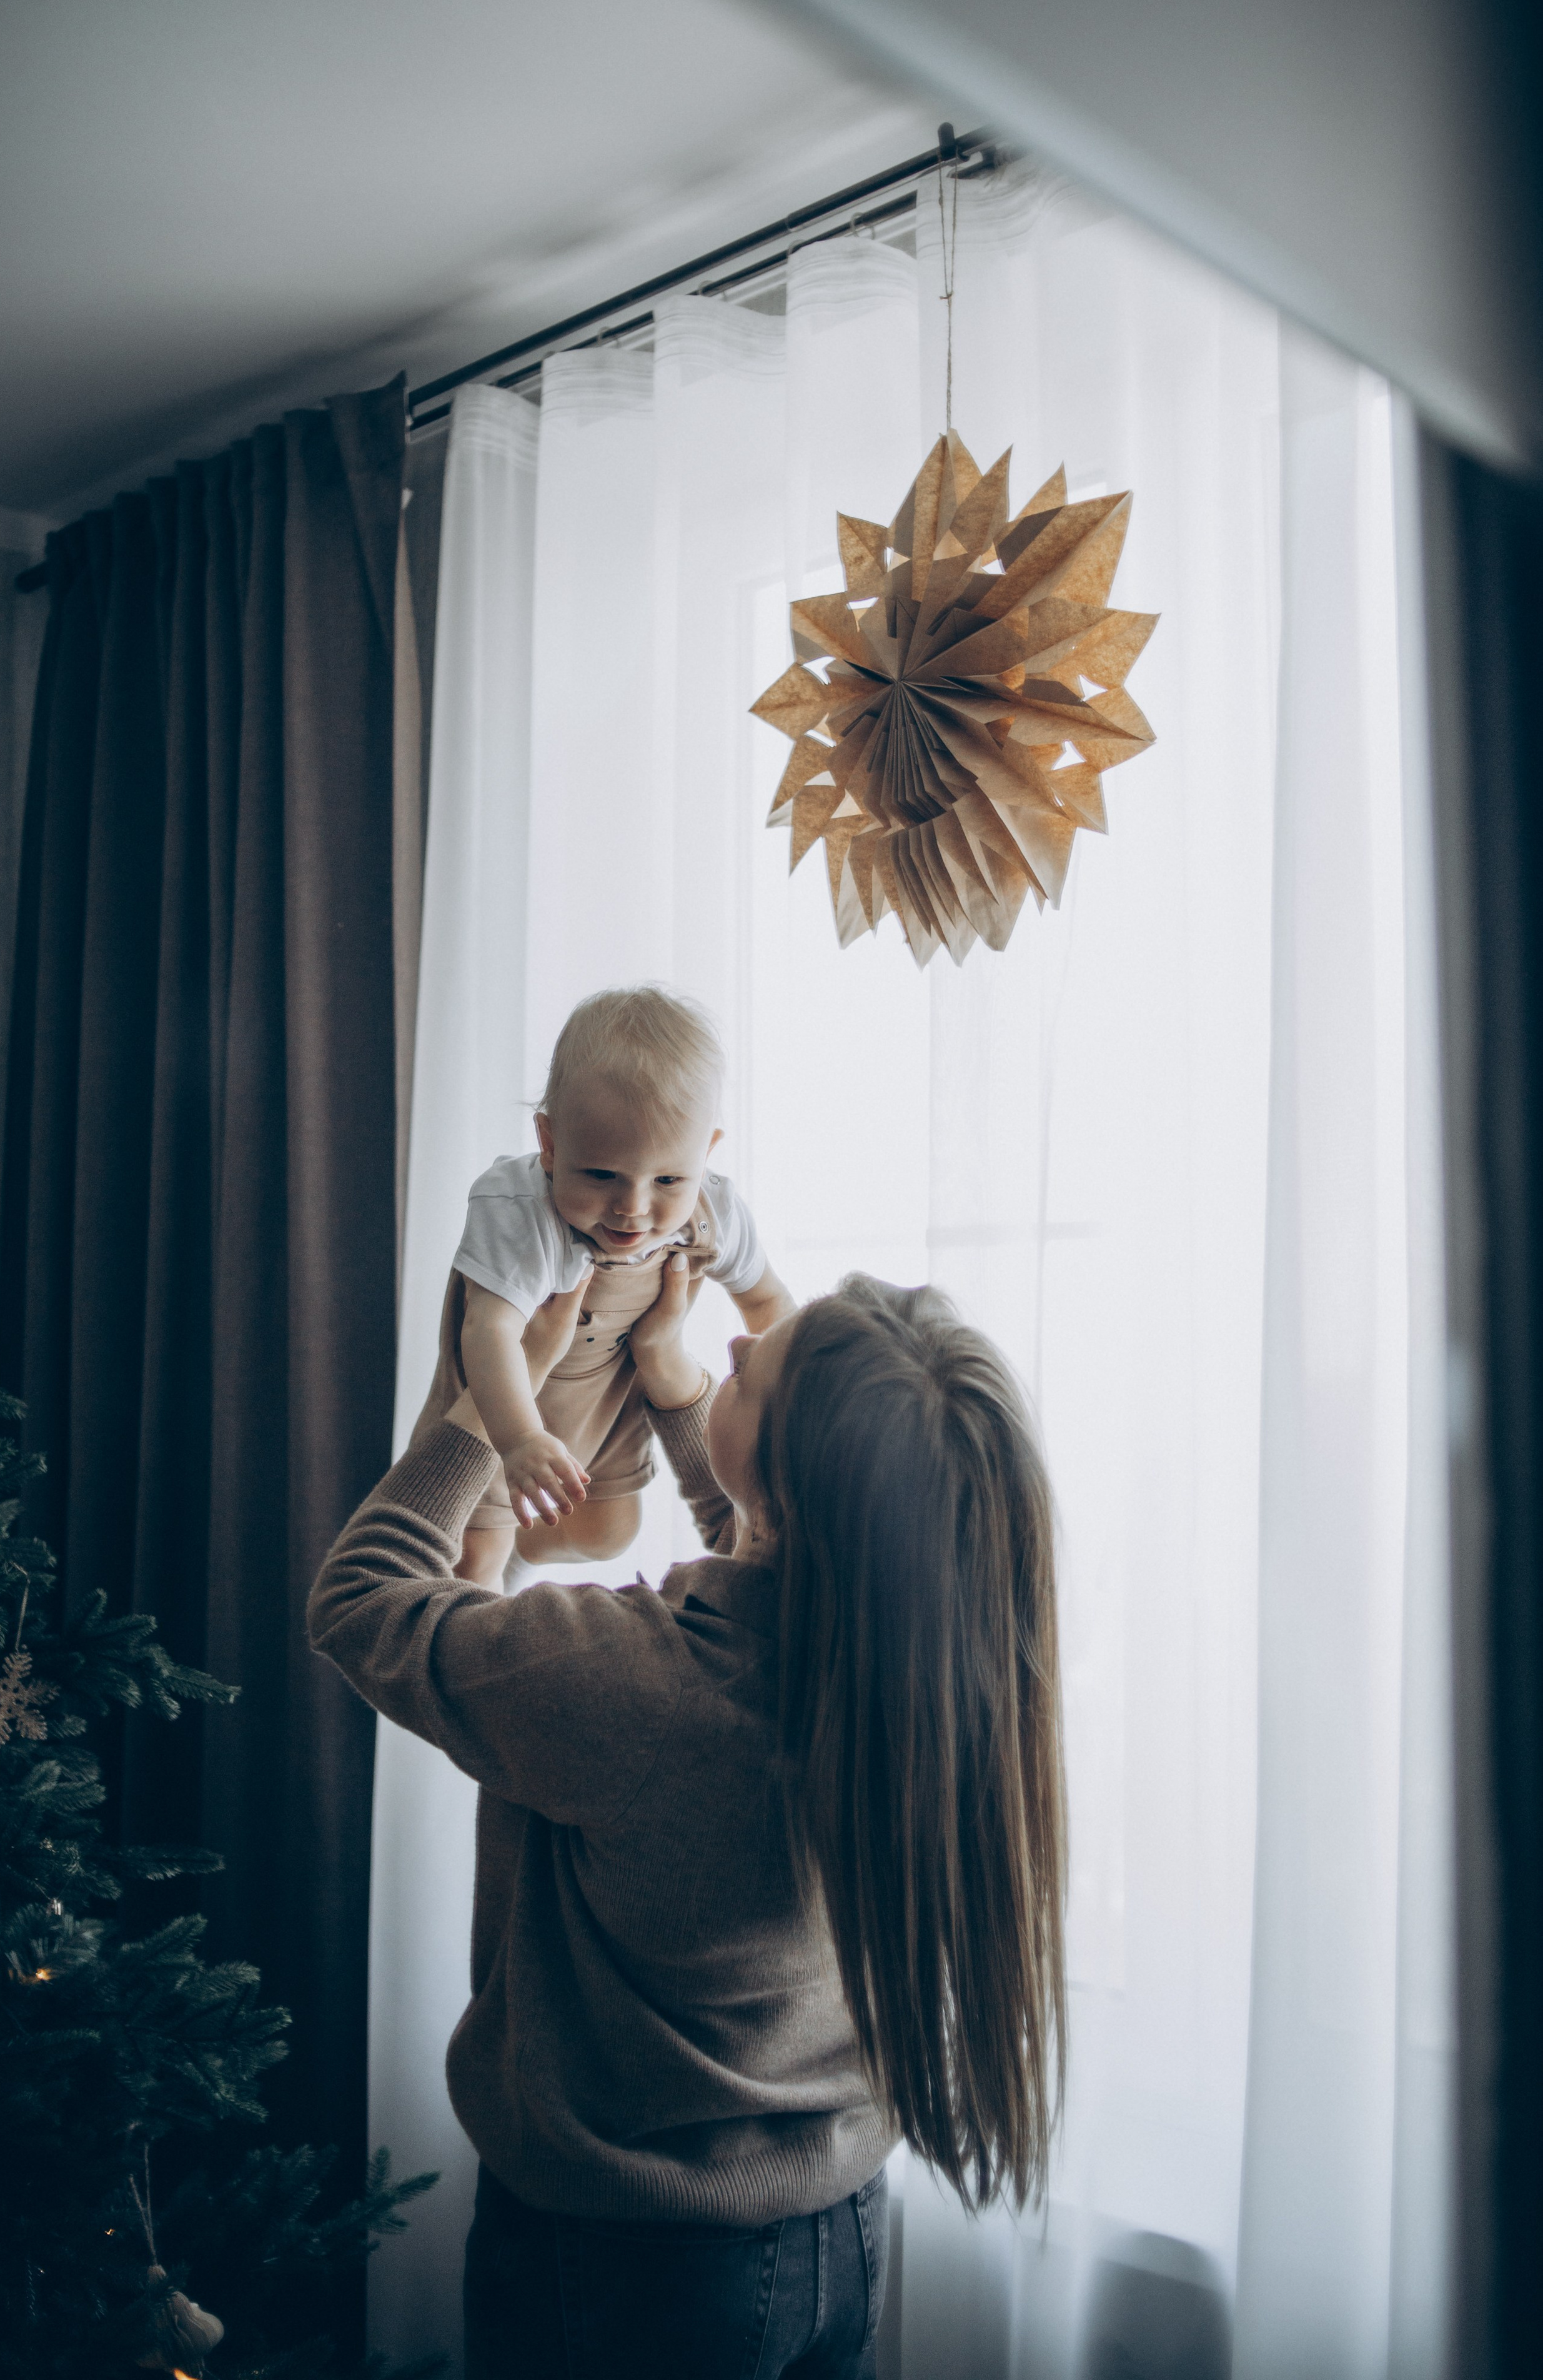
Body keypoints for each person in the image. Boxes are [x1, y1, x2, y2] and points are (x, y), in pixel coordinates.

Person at [310, 1258, 1067, 2379]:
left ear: (792, 1490)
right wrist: (670, 1380)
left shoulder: (631, 1682)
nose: (740, 1344)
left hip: (631, 2273)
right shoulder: (915, 1673)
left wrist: (487, 1401)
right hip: (841, 2230)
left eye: (758, 1372)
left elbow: (362, 1599)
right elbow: (762, 1544)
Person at [409, 985, 793, 1588]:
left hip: (609, 1410)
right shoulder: (519, 1210)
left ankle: (521, 1554)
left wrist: (791, 1398)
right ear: (550, 1144)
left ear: (707, 1152)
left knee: (608, 1531)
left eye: (668, 1179)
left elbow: (768, 1302)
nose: (633, 1208)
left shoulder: (714, 1212)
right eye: (601, 1175)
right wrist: (520, 1440)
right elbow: (490, 1331)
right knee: (473, 1558)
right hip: (501, 1404)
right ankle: (497, 1565)